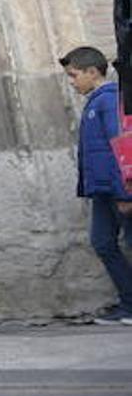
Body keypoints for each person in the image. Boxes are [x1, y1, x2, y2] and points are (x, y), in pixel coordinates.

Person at [59, 46, 132, 325]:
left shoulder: (109, 100)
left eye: (74, 75)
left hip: (118, 190)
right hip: (102, 191)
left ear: (92, 72)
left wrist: (125, 192)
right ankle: (129, 303)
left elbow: (121, 148)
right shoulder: (95, 102)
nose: (72, 82)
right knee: (102, 242)